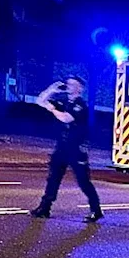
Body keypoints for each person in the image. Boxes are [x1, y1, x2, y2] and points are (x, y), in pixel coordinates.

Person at [29, 76, 103, 222]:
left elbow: (66, 118)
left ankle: (96, 209)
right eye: (68, 83)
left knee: (83, 181)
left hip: (76, 149)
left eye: (72, 84)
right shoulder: (64, 101)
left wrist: (52, 110)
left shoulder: (80, 105)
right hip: (62, 147)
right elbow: (39, 101)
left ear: (80, 88)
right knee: (53, 178)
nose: (69, 86)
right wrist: (51, 90)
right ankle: (45, 208)